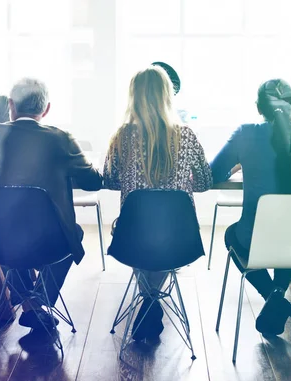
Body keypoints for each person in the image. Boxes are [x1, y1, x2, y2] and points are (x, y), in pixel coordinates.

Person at [0, 78, 103, 330]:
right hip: (49, 243)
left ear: (11, 106)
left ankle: (29, 303)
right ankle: (37, 301)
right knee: (75, 233)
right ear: (46, 109)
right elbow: (92, 182)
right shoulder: (60, 139)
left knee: (8, 231)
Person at [103, 65, 212, 341]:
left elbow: (109, 180)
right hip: (179, 235)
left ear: (133, 97)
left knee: (140, 236)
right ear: (167, 96)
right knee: (162, 240)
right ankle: (152, 302)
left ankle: (149, 302)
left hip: (132, 234)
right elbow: (204, 183)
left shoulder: (122, 136)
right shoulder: (186, 135)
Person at [210, 79, 291, 336]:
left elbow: (214, 172)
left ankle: (271, 295)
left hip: (257, 238)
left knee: (231, 234)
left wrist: (239, 163)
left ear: (259, 107)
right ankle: (278, 293)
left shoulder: (246, 133)